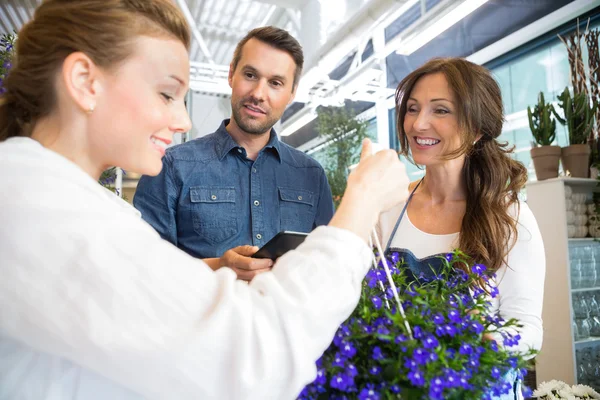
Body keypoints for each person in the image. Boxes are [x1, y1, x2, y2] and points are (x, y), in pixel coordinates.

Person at [0, 1, 412, 399]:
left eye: (276, 82)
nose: (182, 120)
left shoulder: (65, 199)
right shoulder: (35, 206)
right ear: (85, 82)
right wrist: (361, 205)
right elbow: (251, 362)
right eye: (165, 93)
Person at [377, 57, 545, 400]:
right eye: (412, 108)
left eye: (441, 110)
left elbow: (529, 331)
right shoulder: (387, 208)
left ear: (478, 127)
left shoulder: (509, 215)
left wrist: (480, 342)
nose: (419, 123)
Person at [133, 26, 334, 281]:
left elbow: (328, 267)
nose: (258, 94)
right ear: (231, 75)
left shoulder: (311, 175)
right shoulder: (172, 166)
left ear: (291, 93)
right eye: (250, 75)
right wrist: (218, 267)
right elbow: (143, 268)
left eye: (275, 83)